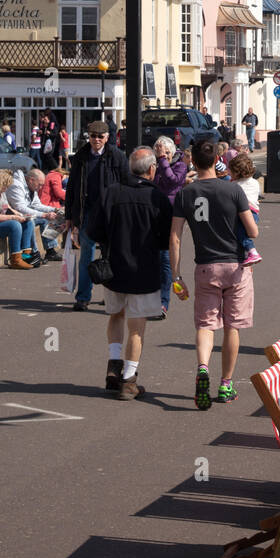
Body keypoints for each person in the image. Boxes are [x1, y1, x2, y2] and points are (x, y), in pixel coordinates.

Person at [169, 139, 259, 410]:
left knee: (206, 325)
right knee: (232, 327)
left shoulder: (186, 194)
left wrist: (176, 275)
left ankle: (203, 368)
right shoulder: (232, 191)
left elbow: (174, 237)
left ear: (193, 162)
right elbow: (252, 231)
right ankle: (226, 383)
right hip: (236, 266)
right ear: (217, 159)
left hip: (205, 265)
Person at [86, 148, 173, 399]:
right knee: (137, 328)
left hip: (114, 267)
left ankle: (114, 367)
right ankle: (129, 379)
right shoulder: (157, 198)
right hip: (145, 270)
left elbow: (94, 230)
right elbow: (165, 239)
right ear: (151, 169)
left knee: (115, 316)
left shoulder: (111, 192)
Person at [64, 121, 130, 312]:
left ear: (107, 137)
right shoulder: (81, 157)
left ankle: (110, 296)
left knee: (110, 257)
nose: (96, 140)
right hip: (87, 214)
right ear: (88, 136)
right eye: (93, 136)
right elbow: (72, 187)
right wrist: (69, 215)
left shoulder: (117, 156)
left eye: (100, 136)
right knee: (86, 256)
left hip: (111, 215)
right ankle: (83, 297)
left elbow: (126, 184)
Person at [149, 136, 190, 315]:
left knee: (166, 259)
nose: (162, 155)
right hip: (153, 215)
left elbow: (172, 181)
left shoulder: (180, 165)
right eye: (159, 152)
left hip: (171, 216)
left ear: (172, 152)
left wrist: (163, 161)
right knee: (151, 260)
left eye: (166, 152)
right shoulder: (157, 164)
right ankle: (149, 300)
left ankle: (163, 302)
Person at [6, 167, 65, 263]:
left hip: (25, 215)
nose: (41, 188)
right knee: (32, 222)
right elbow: (21, 208)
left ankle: (50, 251)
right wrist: (44, 214)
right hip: (15, 215)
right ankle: (34, 253)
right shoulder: (16, 185)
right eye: (40, 185)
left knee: (57, 216)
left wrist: (55, 209)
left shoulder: (32, 187)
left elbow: (37, 205)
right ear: (31, 180)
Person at [228, 151, 262, 265]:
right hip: (255, 213)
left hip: (245, 212)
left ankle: (252, 252)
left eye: (230, 171)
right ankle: (248, 253)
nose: (228, 172)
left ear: (237, 173)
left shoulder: (235, 186)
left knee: (240, 232)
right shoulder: (254, 183)